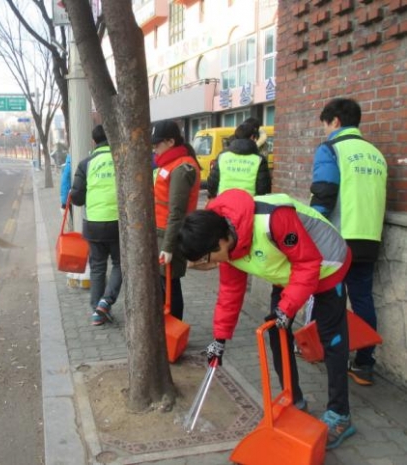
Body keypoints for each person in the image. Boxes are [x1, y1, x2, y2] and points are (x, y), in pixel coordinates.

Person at [179, 189, 355, 450]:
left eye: (205, 260)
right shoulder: (227, 245)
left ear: (219, 243)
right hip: (288, 272)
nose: (206, 266)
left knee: (332, 340)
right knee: (277, 334)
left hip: (327, 265)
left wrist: (287, 306)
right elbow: (229, 294)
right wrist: (219, 340)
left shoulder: (274, 219)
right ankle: (293, 400)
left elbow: (308, 263)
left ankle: (340, 414)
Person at [310, 97, 387, 386]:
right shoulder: (375, 154)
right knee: (363, 299)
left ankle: (326, 352)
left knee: (330, 299)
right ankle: (365, 364)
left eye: (326, 126)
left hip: (338, 238)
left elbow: (324, 193)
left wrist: (311, 230)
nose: (325, 132)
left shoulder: (331, 149)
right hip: (370, 238)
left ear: (336, 122)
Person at [69, 125, 122, 325]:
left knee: (98, 267)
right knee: (120, 264)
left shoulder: (86, 164)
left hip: (93, 223)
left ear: (94, 142)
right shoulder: (121, 159)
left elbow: (77, 197)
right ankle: (106, 302)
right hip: (118, 223)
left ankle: (97, 312)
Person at [152, 120, 200, 321]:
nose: (154, 150)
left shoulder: (183, 168)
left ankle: (173, 327)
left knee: (171, 285)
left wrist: (169, 246)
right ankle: (167, 326)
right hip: (161, 232)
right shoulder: (170, 164)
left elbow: (177, 211)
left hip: (170, 235)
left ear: (170, 141)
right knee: (165, 284)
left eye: (157, 145)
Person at [206, 121, 271, 199]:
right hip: (249, 205)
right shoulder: (259, 159)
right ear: (252, 137)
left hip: (223, 203)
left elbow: (212, 185)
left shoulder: (222, 156)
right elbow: (263, 189)